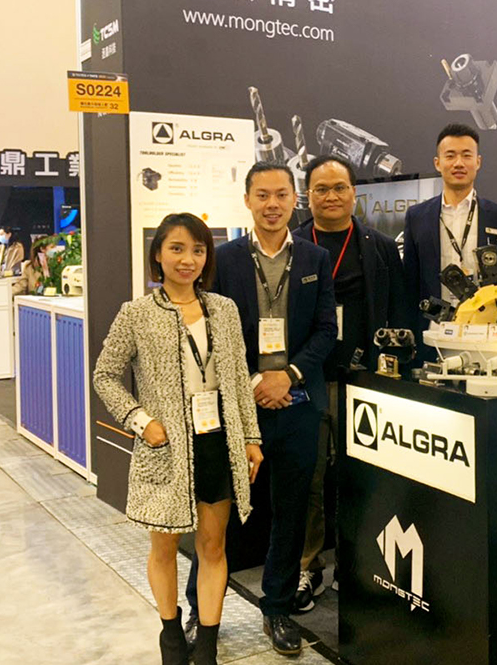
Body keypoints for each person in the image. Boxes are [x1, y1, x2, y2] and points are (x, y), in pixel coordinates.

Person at [93, 212, 264, 665]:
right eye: (177, 249)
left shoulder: (224, 310)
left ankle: (206, 644)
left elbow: (238, 377)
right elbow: (105, 375)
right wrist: (140, 420)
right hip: (166, 447)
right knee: (164, 545)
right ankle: (171, 635)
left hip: (217, 443)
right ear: (158, 255)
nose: (188, 259)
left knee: (213, 546)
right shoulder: (136, 314)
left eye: (198, 250)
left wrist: (250, 436)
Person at [210, 161, 337, 656]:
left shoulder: (315, 257)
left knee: (292, 510)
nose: (272, 204)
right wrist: (257, 381)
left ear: (293, 199)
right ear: (247, 200)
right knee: (219, 512)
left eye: (281, 194)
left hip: (298, 403)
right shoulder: (223, 260)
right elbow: (216, 335)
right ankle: (204, 611)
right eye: (262, 195)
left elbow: (326, 330)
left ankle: (278, 608)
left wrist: (290, 375)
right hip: (241, 407)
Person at [289, 153, 408, 612]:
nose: (331, 196)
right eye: (321, 189)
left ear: (354, 193)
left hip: (362, 381)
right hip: (306, 380)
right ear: (308, 195)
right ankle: (309, 566)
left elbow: (397, 310)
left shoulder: (379, 247)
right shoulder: (294, 245)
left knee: (363, 477)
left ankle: (356, 564)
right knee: (309, 478)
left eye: (340, 187)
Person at [402, 123, 497, 359]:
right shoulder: (417, 216)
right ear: (437, 163)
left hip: (486, 329)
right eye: (450, 155)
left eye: (466, 155)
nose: (458, 163)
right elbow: (410, 282)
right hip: (433, 330)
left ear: (478, 162)